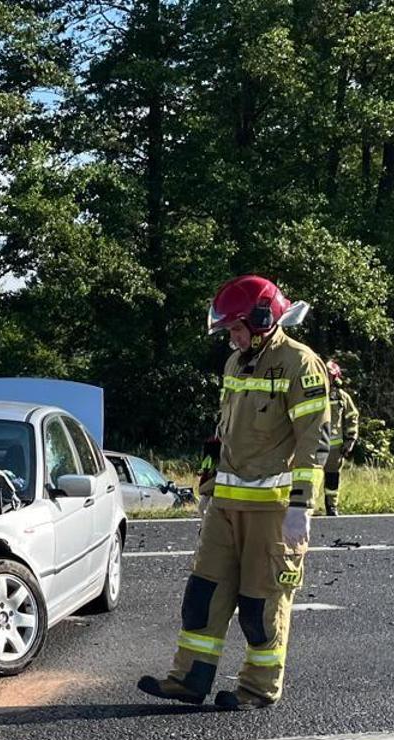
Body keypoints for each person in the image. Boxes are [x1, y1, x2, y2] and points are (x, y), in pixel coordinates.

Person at [138, 275, 330, 711]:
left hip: (273, 512)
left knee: (261, 606)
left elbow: (313, 442)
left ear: (263, 320)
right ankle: (188, 679)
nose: (231, 336)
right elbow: (220, 435)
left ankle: (258, 689)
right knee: (204, 594)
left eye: (237, 327)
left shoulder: (299, 364)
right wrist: (207, 486)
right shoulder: (234, 363)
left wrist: (301, 508)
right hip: (225, 506)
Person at [323, 360, 360, 516]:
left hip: (334, 448)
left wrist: (350, 440)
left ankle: (332, 506)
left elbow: (352, 417)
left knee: (332, 478)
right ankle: (304, 506)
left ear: (335, 377)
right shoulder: (312, 393)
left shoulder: (341, 397)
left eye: (329, 375)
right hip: (313, 444)